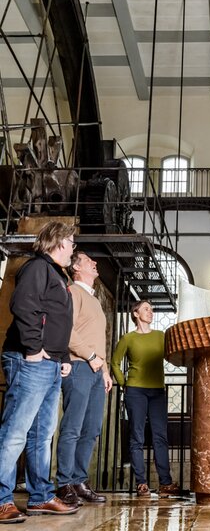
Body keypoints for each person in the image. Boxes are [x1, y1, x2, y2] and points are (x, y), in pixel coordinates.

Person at [0, 221, 79, 524]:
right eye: (71, 242)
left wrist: (62, 356)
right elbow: (23, 306)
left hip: (50, 364)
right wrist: (33, 348)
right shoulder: (37, 267)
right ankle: (2, 499)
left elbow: (55, 320)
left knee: (42, 435)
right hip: (29, 360)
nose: (74, 248)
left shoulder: (57, 275)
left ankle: (40, 496)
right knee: (15, 433)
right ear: (59, 242)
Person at [56, 251, 113, 507]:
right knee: (73, 427)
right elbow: (66, 332)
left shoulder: (95, 300)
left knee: (91, 430)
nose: (95, 263)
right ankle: (64, 483)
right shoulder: (73, 293)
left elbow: (97, 339)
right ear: (76, 269)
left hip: (95, 371)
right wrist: (91, 357)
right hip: (79, 366)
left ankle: (79, 481)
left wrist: (105, 370)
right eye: (89, 261)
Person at [111, 301, 179, 498]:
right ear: (135, 313)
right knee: (137, 438)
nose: (151, 312)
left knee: (160, 436)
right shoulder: (128, 338)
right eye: (146, 309)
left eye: (151, 309)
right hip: (135, 392)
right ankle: (141, 483)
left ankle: (165, 483)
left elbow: (172, 356)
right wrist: (124, 383)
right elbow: (115, 363)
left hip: (157, 391)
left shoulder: (161, 336)